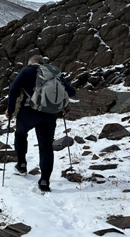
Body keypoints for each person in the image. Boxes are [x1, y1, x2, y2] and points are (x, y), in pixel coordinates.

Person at [5, 55, 76, 192]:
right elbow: (71, 91)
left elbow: (13, 89)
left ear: (31, 62)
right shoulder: (53, 73)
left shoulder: (27, 71)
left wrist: (10, 109)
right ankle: (44, 181)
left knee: (20, 134)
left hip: (29, 112)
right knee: (46, 146)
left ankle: (21, 164)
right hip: (50, 115)